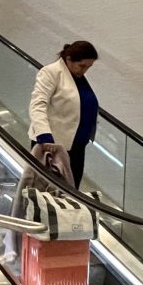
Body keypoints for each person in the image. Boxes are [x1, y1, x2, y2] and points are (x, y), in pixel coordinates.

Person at [28, 40, 101, 188]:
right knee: (49, 193)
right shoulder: (51, 72)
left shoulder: (78, 77)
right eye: (82, 65)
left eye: (88, 67)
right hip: (51, 145)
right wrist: (44, 135)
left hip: (77, 146)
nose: (85, 70)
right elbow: (37, 104)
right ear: (69, 59)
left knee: (71, 193)